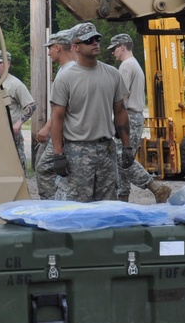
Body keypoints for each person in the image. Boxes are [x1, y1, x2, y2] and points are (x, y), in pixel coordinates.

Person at [48, 22, 133, 202]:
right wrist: (58, 154)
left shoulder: (112, 74)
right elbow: (57, 118)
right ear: (75, 47)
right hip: (77, 151)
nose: (95, 43)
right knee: (76, 207)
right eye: (88, 40)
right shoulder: (65, 78)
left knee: (106, 205)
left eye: (96, 39)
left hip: (106, 150)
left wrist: (126, 146)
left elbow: (120, 112)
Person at [108, 33, 172, 204]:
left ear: (122, 46)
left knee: (122, 159)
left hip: (128, 116)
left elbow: (122, 96)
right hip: (134, 116)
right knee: (122, 160)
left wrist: (116, 121)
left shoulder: (126, 66)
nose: (113, 52)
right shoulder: (134, 64)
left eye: (114, 48)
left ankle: (156, 188)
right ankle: (122, 200)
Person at [34, 29, 75, 199]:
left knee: (44, 168)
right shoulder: (64, 69)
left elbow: (61, 109)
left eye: (50, 48)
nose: (48, 52)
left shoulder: (68, 72)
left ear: (58, 47)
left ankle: (52, 204)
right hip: (63, 130)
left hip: (65, 131)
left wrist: (46, 128)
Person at [0, 49, 35, 172]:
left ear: (8, 64)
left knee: (16, 169)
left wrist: (18, 123)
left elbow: (31, 106)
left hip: (11, 134)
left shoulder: (14, 84)